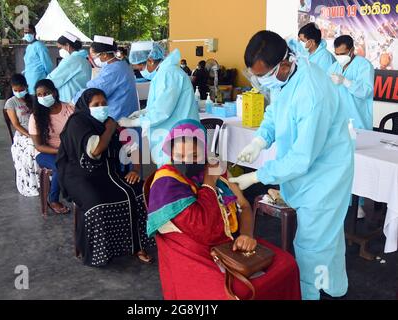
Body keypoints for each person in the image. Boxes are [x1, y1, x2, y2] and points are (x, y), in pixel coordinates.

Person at [229, 31, 354, 300]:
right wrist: (260, 141)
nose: (261, 82)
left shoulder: (312, 93)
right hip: (309, 174)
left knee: (313, 246)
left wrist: (257, 177)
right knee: (327, 240)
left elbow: (301, 158)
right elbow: (275, 112)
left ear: (283, 65)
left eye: (263, 76)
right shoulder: (286, 78)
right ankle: (332, 286)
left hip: (325, 177)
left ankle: (313, 293)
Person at [147, 119, 301, 300]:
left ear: (205, 152)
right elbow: (203, 229)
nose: (187, 160)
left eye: (195, 155)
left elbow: (243, 206)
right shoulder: (167, 181)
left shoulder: (216, 170)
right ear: (170, 153)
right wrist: (209, 183)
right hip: (199, 253)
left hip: (232, 244)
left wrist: (246, 235)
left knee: (288, 265)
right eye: (180, 155)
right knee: (235, 292)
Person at [57, 88, 154, 266]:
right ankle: (102, 251)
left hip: (108, 173)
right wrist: (109, 129)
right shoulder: (78, 123)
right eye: (96, 105)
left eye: (104, 104)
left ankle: (137, 245)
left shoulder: (110, 123)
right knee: (97, 203)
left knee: (140, 192)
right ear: (86, 107)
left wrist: (135, 169)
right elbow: (95, 150)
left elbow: (134, 148)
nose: (102, 107)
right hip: (80, 176)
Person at [119, 41, 200, 167]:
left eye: (141, 67)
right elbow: (159, 104)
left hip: (179, 138)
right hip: (174, 135)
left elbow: (162, 112)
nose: (141, 72)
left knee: (174, 178)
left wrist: (133, 122)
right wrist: (143, 112)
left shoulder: (169, 74)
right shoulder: (163, 74)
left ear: (150, 60)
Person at [29, 79, 73, 214]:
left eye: (46, 93)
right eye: (39, 95)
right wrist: (60, 151)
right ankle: (53, 199)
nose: (43, 97)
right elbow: (39, 146)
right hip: (47, 152)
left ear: (54, 93)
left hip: (70, 150)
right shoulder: (36, 117)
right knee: (61, 165)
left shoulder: (69, 109)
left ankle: (77, 193)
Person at [76, 36, 138, 121]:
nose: (93, 59)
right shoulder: (121, 64)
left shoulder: (114, 70)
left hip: (118, 117)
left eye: (94, 56)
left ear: (104, 54)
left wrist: (74, 100)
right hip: (126, 114)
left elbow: (93, 91)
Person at [328, 35, 374, 131]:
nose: (339, 57)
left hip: (358, 122)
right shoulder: (334, 67)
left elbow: (365, 92)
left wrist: (346, 82)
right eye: (337, 54)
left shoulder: (364, 65)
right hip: (337, 123)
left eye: (343, 54)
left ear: (352, 50)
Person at [4, 74, 39, 197]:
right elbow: (16, 124)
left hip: (35, 130)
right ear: (12, 89)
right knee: (32, 147)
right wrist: (29, 135)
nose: (19, 92)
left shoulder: (33, 99)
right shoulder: (11, 103)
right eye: (16, 90)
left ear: (26, 87)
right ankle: (33, 182)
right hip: (22, 134)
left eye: (21, 90)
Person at [47, 31, 91, 104]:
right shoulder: (84, 59)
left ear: (67, 45)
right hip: (80, 99)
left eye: (60, 47)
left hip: (70, 100)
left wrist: (41, 85)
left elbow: (54, 79)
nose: (60, 50)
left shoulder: (71, 60)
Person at [22, 24, 53, 94]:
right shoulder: (29, 47)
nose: (27, 34)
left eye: (29, 32)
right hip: (29, 79)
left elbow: (47, 64)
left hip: (39, 77)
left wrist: (48, 77)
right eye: (25, 33)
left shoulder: (40, 46)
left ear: (34, 33)